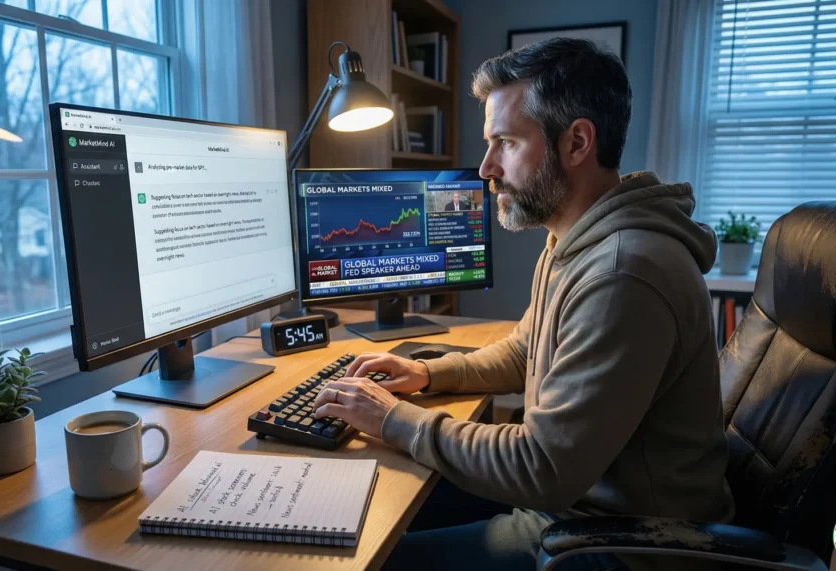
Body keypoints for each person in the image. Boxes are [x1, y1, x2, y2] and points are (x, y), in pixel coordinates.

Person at [312, 38, 734, 571]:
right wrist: (424, 373)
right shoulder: (577, 237)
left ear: (577, 141)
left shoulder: (624, 272)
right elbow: (525, 351)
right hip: (576, 501)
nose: (486, 167)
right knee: (369, 500)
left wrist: (395, 419)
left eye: (505, 142)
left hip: (621, 543)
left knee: (363, 559)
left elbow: (540, 466)